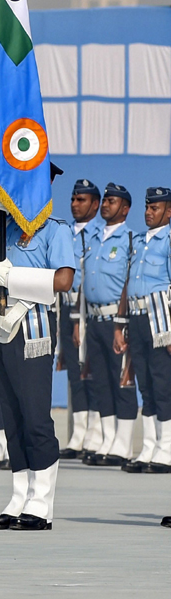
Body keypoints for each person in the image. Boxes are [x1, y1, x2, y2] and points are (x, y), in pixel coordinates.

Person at [0, 171, 75, 531]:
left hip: (32, 327)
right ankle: (18, 497)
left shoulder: (56, 230)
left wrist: (18, 278)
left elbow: (64, 280)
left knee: (36, 416)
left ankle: (41, 504)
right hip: (0, 326)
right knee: (12, 416)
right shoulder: (3, 224)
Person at [81, 182, 137, 466]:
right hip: (93, 317)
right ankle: (107, 438)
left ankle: (124, 444)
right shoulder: (92, 238)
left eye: (112, 201)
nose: (105, 205)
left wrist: (122, 322)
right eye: (104, 200)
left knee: (121, 381)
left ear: (125, 208)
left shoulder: (130, 239)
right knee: (100, 382)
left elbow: (130, 282)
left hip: (117, 319)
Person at [118, 186, 171, 474]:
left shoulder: (168, 240)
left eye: (156, 208)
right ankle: (149, 446)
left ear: (169, 211)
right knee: (146, 386)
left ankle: (167, 448)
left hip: (161, 319)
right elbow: (128, 282)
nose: (149, 212)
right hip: (137, 318)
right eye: (148, 207)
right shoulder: (138, 240)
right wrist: (120, 323)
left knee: (163, 385)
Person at [59, 178, 105, 458]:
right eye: (74, 199)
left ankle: (97, 434)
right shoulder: (64, 232)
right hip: (65, 307)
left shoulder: (102, 233)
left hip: (90, 310)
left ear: (96, 204)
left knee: (95, 372)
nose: (75, 204)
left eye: (82, 200)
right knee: (75, 373)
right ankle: (78, 434)